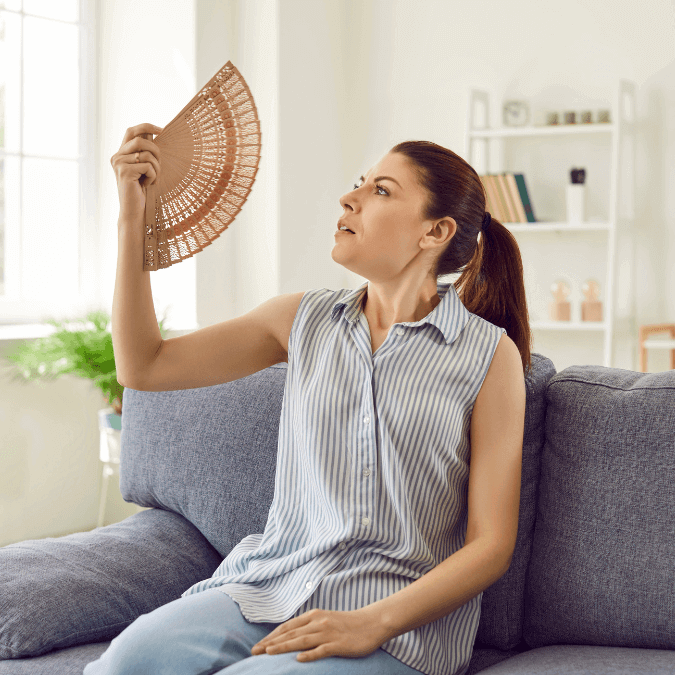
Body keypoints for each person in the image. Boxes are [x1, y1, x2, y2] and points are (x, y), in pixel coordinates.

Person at [86, 124, 528, 675]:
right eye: (360, 184)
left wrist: (374, 621)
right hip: (270, 585)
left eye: (381, 191)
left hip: (395, 623)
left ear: (434, 231)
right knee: (124, 664)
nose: (350, 198)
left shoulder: (489, 357)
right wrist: (134, 214)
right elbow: (142, 366)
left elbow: (491, 546)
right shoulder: (300, 319)